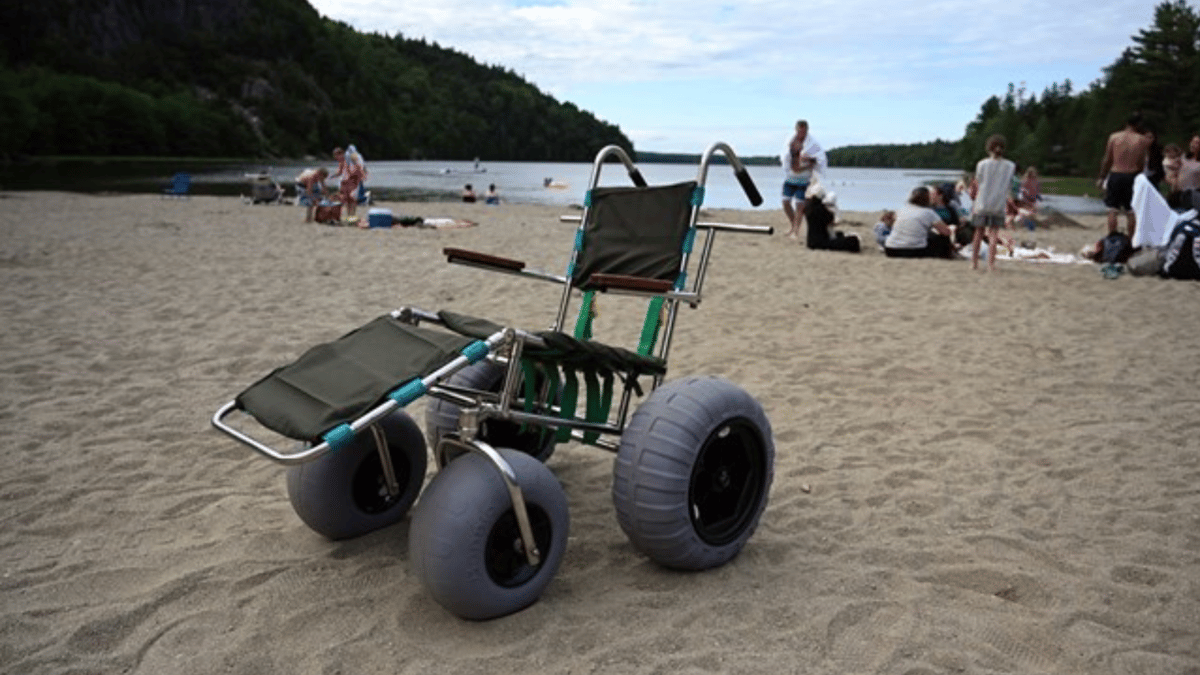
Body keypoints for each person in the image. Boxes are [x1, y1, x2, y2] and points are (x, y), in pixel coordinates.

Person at [1097, 112, 1152, 241]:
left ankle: (1112, 236)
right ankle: (1131, 240)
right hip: (1132, 175)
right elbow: (1141, 162)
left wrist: (1102, 176)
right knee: (1131, 211)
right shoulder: (1141, 140)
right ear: (1138, 124)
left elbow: (1107, 159)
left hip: (1116, 173)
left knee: (1112, 209)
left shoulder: (1114, 137)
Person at [970, 134, 1016, 272]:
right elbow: (1009, 185)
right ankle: (991, 264)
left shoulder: (982, 164)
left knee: (978, 233)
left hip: (983, 202)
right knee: (994, 234)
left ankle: (974, 263)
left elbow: (978, 182)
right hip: (998, 203)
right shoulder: (1010, 165)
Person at [780, 119, 827, 240]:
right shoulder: (790, 142)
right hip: (791, 177)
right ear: (796, 130)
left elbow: (820, 158)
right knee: (785, 203)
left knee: (799, 205)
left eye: (804, 131)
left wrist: (809, 158)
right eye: (800, 131)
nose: (802, 134)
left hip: (804, 179)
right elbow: (785, 156)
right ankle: (793, 224)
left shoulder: (812, 143)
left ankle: (795, 231)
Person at [883, 187, 955, 259]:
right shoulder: (928, 212)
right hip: (913, 251)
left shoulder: (901, 210)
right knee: (943, 239)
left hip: (890, 249)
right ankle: (948, 257)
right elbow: (946, 232)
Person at [331, 145, 368, 218]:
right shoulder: (341, 161)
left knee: (352, 198)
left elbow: (358, 167)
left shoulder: (350, 158)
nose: (335, 158)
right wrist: (333, 175)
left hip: (352, 179)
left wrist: (356, 176)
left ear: (341, 154)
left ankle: (352, 215)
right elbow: (340, 171)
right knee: (347, 199)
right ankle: (349, 215)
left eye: (336, 155)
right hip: (345, 181)